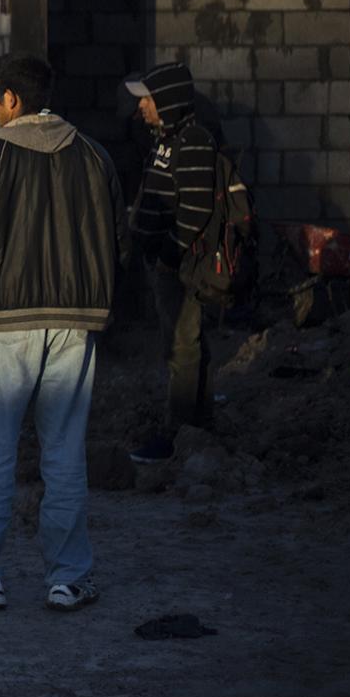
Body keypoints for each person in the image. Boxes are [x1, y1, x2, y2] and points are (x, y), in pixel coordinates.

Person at [0, 53, 124, 614]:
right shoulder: (94, 155)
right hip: (74, 324)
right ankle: (69, 577)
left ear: (13, 99)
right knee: (65, 454)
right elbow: (119, 243)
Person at [123, 60, 221, 465]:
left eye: (146, 100)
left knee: (183, 349)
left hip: (181, 268)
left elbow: (195, 211)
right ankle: (197, 426)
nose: (141, 108)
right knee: (181, 347)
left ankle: (178, 435)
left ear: (167, 101)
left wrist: (167, 257)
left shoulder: (194, 142)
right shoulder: (165, 140)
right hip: (165, 266)